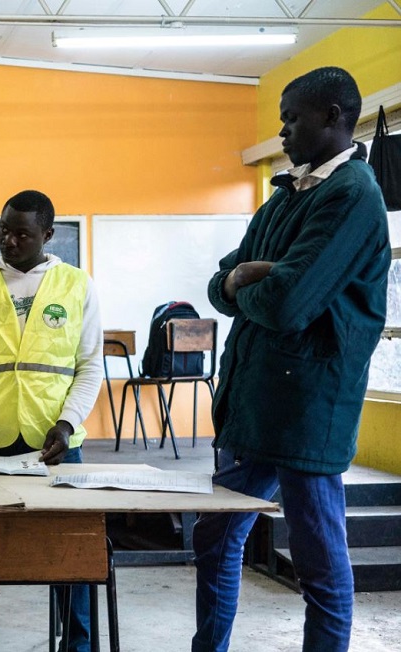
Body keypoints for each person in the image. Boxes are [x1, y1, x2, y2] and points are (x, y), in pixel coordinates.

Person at [192, 67, 390, 652]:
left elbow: (290, 304)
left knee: (318, 563)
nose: (281, 130)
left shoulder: (351, 194)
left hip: (308, 408)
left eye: (291, 117)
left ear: (332, 116)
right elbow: (217, 283)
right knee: (215, 539)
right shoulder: (286, 195)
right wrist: (245, 277)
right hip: (254, 405)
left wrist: (258, 281)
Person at [0, 189, 103, 652]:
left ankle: (76, 644)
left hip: (55, 442)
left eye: (22, 233)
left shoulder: (76, 284)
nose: (9, 241)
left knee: (70, 549)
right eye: (3, 230)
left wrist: (68, 423)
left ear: (47, 235)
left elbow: (90, 364)